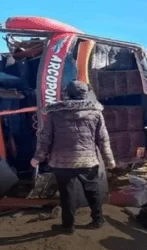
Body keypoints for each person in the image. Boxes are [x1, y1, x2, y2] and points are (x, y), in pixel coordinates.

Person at [30, 80, 115, 234]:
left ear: (67, 94)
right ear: (85, 94)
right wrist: (109, 160)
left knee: (66, 194)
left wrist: (38, 158)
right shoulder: (96, 113)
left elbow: (45, 138)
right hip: (88, 161)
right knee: (93, 191)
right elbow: (103, 138)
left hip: (62, 163)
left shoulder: (54, 113)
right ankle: (98, 220)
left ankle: (68, 226)